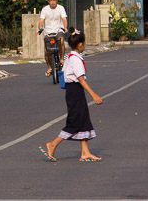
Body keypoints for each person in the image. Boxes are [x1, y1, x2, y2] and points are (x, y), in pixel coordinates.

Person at [39, 28, 103, 162]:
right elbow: (80, 78)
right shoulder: (75, 60)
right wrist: (94, 95)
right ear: (80, 45)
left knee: (83, 119)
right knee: (74, 121)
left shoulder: (71, 57)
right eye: (84, 44)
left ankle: (85, 152)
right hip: (75, 90)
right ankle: (53, 144)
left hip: (74, 91)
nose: (84, 46)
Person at [38, 0, 68, 78]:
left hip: (59, 30)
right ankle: (49, 68)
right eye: (51, 0)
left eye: (54, 0)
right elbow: (41, 20)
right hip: (48, 31)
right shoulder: (45, 9)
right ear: (48, 1)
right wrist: (40, 28)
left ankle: (62, 59)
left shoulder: (61, 8)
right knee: (47, 51)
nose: (52, 2)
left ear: (56, 1)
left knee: (61, 40)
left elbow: (64, 19)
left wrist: (65, 28)